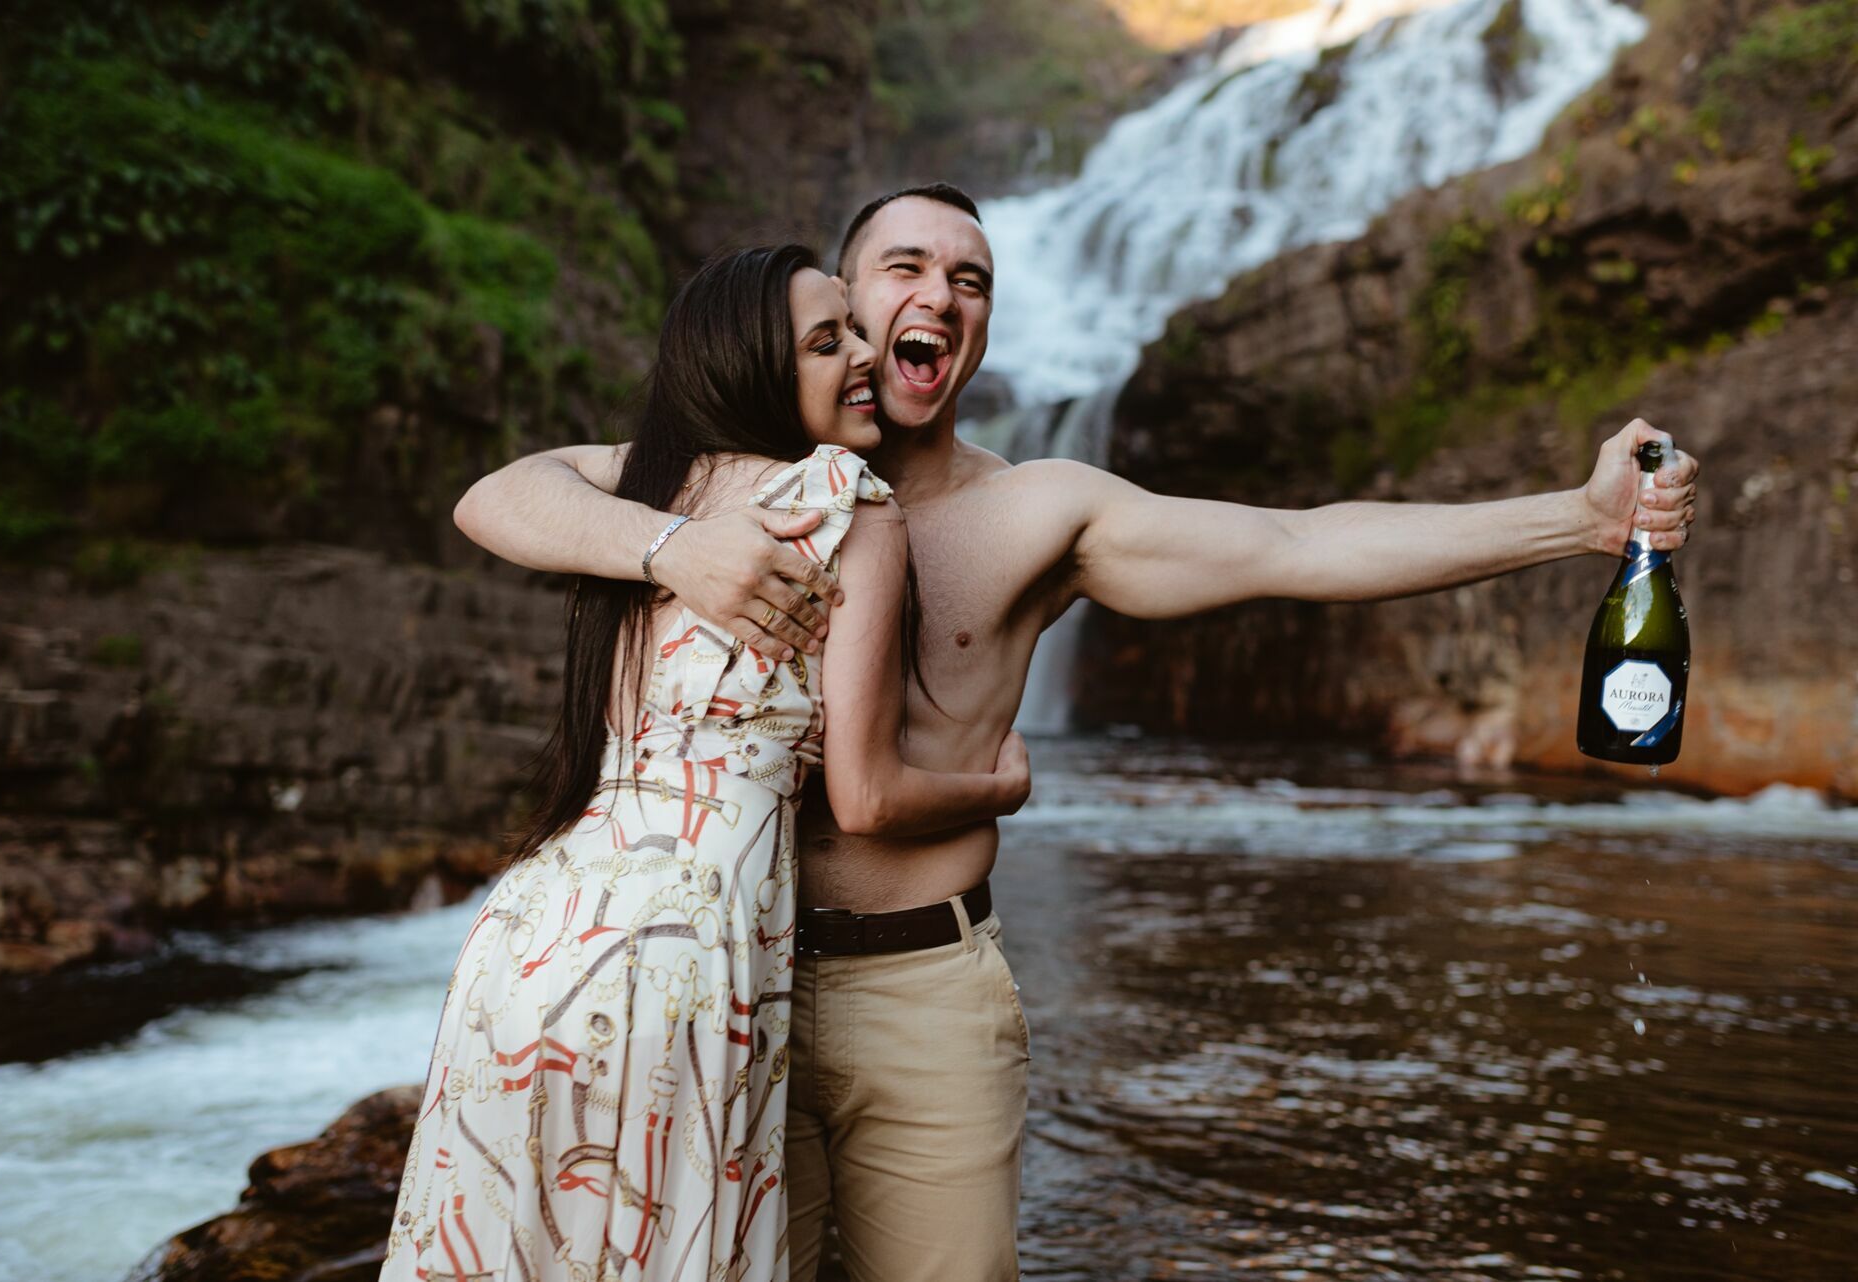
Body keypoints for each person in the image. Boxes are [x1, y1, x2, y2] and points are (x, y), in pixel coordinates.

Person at [451, 183, 1704, 1281]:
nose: (939, 293)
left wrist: (1580, 523)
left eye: (971, 279)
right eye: (905, 268)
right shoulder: (713, 480)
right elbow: (509, 494)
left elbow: (1299, 542)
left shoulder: (1040, 508)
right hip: (730, 984)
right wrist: (681, 551)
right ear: (835, 311)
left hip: (920, 989)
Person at [380, 243, 1031, 1282]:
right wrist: (1001, 784)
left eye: (853, 331)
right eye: (830, 340)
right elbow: (865, 796)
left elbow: (486, 499)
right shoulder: (845, 501)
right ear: (753, 370)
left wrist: (665, 540)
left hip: (530, 940)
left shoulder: (646, 484)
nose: (862, 354)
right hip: (687, 949)